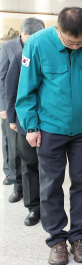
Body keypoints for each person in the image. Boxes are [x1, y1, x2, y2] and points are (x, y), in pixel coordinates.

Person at [16, 7, 82, 265]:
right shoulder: (38, 43)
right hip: (49, 127)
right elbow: (26, 88)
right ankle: (57, 239)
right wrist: (31, 126)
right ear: (58, 30)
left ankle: (79, 237)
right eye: (72, 42)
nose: (77, 46)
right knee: (51, 185)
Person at [3, 17, 45, 226]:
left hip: (48, 121)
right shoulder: (20, 57)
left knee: (48, 167)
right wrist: (11, 118)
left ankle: (48, 205)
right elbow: (11, 89)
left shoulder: (51, 55)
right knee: (29, 164)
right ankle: (33, 207)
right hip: (24, 120)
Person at [0, 28, 27, 190]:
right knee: (11, 143)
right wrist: (3, 107)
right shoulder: (8, 47)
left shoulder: (42, 46)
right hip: (11, 105)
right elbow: (1, 77)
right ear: (22, 32)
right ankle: (12, 175)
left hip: (32, 106)